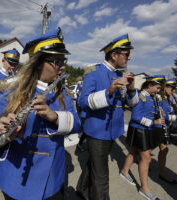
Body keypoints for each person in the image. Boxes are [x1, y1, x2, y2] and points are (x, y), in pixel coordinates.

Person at [0, 28, 81, 200]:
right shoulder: (10, 90)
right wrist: (1, 134)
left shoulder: (62, 92)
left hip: (52, 179)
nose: (62, 66)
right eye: (56, 61)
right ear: (37, 63)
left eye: (63, 60)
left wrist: (54, 116)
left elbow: (76, 123)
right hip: (16, 179)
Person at [76, 34, 138, 200]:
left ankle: (81, 190)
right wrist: (109, 91)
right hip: (97, 131)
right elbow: (82, 101)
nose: (129, 57)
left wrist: (132, 89)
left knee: (94, 165)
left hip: (113, 131)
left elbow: (131, 104)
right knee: (101, 176)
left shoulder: (120, 74)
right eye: (125, 54)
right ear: (114, 55)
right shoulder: (94, 72)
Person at [120, 75, 166, 200]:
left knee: (134, 151)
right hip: (139, 130)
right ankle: (144, 189)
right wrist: (153, 123)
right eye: (157, 87)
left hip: (145, 130)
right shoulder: (141, 97)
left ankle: (124, 171)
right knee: (146, 159)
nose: (158, 90)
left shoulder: (151, 97)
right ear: (150, 85)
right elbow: (135, 116)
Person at [157, 78, 177, 184]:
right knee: (163, 149)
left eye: (174, 88)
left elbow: (171, 111)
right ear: (165, 87)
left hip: (166, 127)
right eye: (171, 88)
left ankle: (138, 158)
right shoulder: (159, 99)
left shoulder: (168, 98)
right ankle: (162, 173)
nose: (173, 91)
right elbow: (161, 116)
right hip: (158, 128)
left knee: (152, 149)